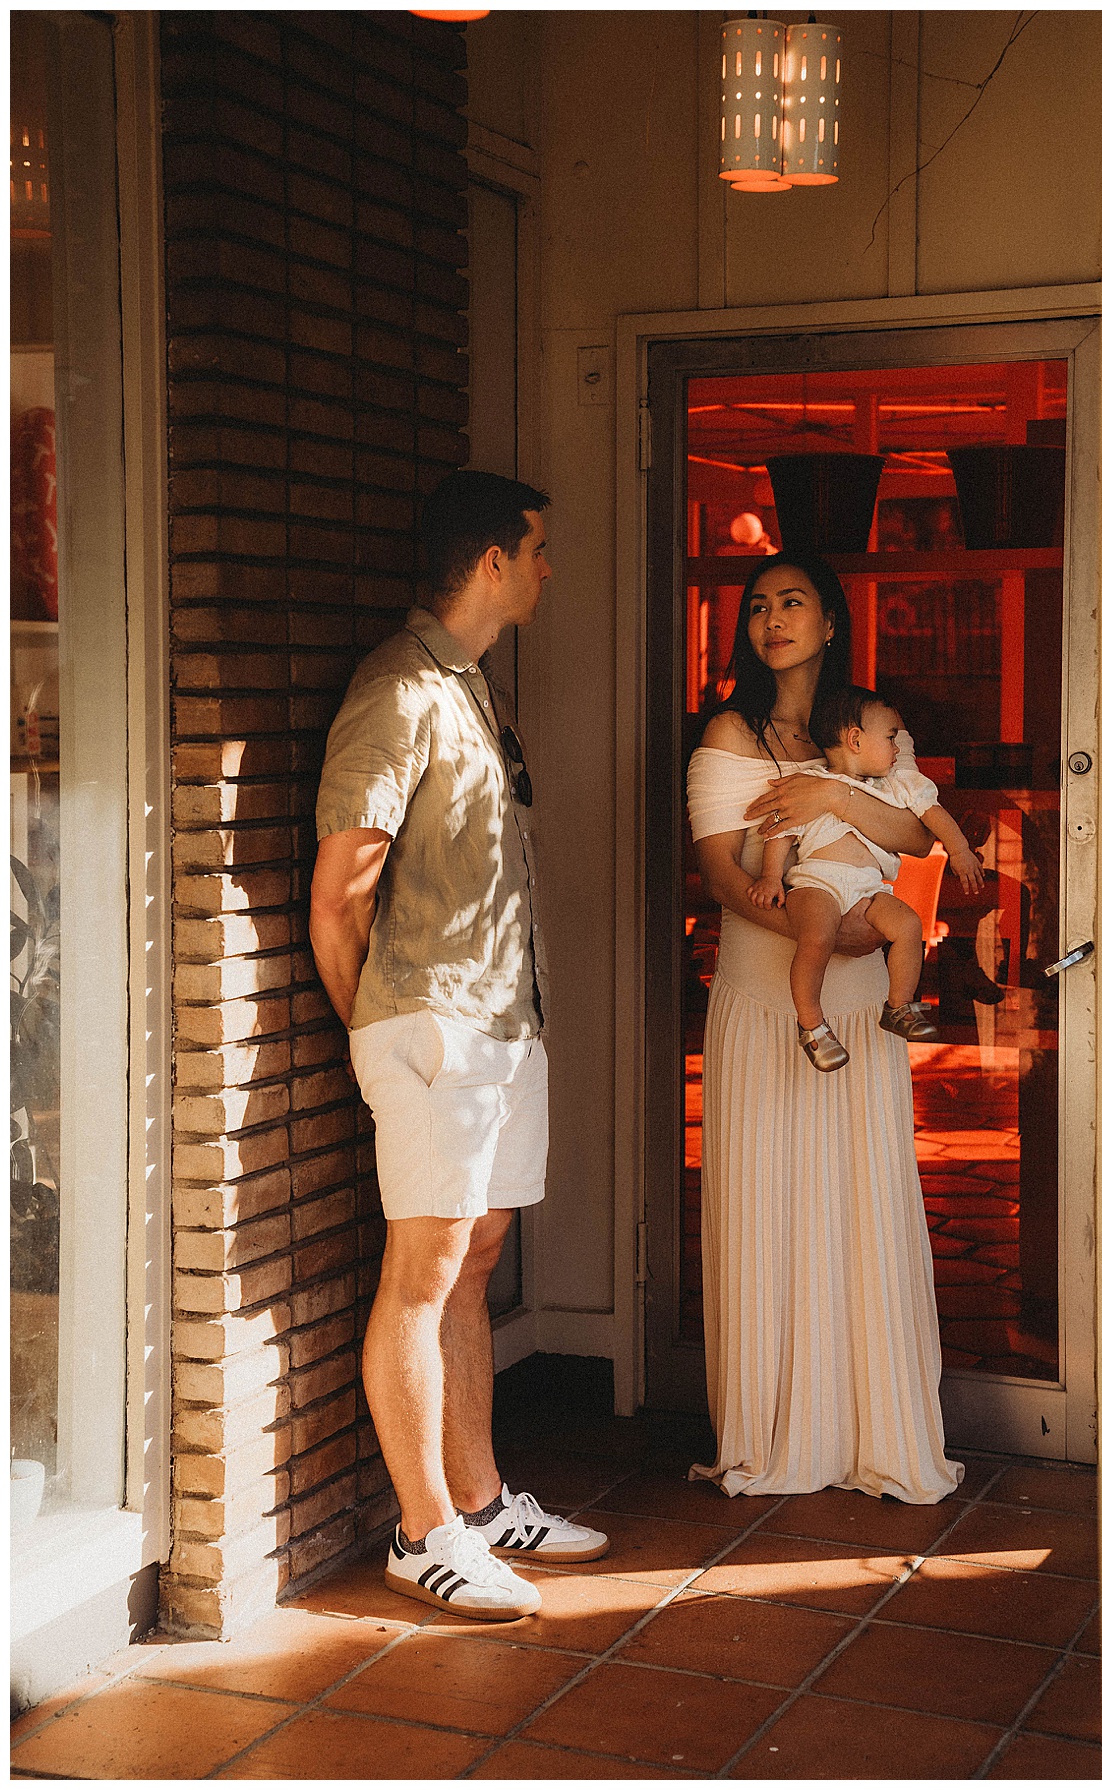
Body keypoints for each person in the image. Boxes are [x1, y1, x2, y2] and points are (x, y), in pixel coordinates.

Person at [310, 470, 608, 1622]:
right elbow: (342, 887)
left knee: (475, 1260)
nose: (546, 570)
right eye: (537, 550)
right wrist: (382, 1022)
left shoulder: (471, 688)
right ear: (492, 559)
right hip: (436, 1024)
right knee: (421, 1276)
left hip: (503, 1017)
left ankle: (480, 1502)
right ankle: (422, 1531)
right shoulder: (399, 690)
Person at [686, 554, 964, 1502]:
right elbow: (725, 876)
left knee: (855, 1197)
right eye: (758, 606)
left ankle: (867, 1430)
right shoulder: (729, 730)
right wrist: (830, 931)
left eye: (793, 602)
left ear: (832, 620)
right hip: (770, 999)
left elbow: (919, 835)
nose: (774, 619)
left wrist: (837, 796)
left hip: (859, 1007)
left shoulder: (871, 726)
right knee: (767, 1194)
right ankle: (772, 1436)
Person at [748, 683, 985, 1070]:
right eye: (891, 738)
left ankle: (899, 1006)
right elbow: (781, 830)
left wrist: (958, 850)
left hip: (870, 889)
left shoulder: (897, 786)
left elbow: (934, 814)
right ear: (855, 739)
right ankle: (812, 1025)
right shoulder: (813, 784)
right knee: (817, 936)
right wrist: (771, 877)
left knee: (908, 926)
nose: (898, 749)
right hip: (817, 883)